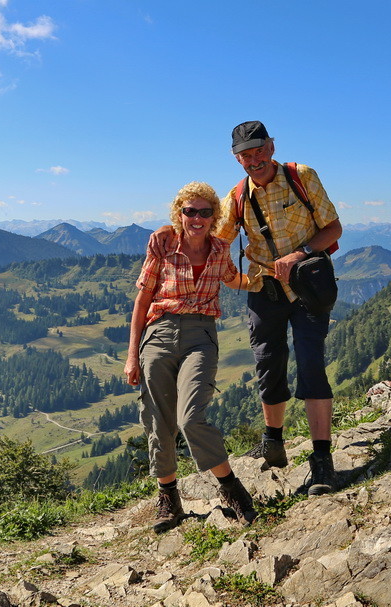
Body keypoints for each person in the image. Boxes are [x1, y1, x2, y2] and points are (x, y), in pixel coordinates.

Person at [150, 121, 343, 496]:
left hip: (308, 287)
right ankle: (274, 443)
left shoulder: (301, 176)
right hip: (263, 290)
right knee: (268, 365)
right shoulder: (237, 197)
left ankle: (322, 461)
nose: (253, 160)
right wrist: (169, 231)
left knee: (311, 366)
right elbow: (206, 230)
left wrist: (300, 253)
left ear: (271, 146)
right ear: (235, 158)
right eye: (245, 154)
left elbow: (333, 228)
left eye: (258, 150)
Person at [125, 181, 257, 531]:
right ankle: (168, 498)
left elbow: (233, 279)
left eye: (205, 211)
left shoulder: (219, 249)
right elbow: (142, 299)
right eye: (189, 211)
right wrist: (131, 356)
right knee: (158, 419)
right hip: (158, 333)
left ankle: (232, 489)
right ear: (179, 214)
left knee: (190, 418)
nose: (196, 218)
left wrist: (272, 275)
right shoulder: (163, 246)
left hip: (201, 335)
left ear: (214, 216)